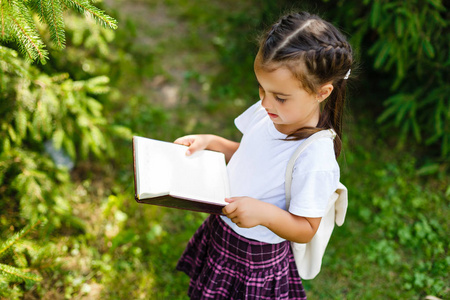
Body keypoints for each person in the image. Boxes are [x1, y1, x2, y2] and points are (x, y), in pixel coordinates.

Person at [175, 11, 353, 300]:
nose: (265, 101)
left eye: (280, 97)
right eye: (262, 89)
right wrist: (214, 143)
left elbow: (307, 227)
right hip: (223, 231)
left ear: (322, 92)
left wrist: (264, 213)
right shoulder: (269, 112)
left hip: (254, 257)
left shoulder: (314, 158)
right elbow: (250, 156)